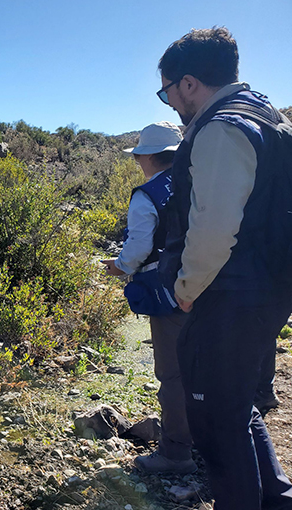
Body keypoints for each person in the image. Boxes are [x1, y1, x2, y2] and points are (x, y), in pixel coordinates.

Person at [157, 27, 292, 509]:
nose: (169, 101)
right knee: (236, 407)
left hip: (230, 296)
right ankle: (277, 499)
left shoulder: (221, 128)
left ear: (189, 83)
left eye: (168, 89)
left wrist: (188, 288)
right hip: (268, 289)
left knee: (215, 425)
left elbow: (214, 226)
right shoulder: (268, 117)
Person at [102, 121, 196, 475]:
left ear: (147, 157)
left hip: (170, 293)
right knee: (205, 365)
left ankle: (175, 453)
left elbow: (139, 248)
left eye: (139, 156)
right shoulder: (197, 181)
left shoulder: (147, 195)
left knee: (173, 374)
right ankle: (208, 436)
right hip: (210, 286)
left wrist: (119, 266)